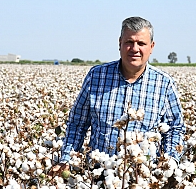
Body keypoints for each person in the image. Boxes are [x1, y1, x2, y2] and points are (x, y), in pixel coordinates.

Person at [50, 16, 185, 178]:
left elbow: (175, 129)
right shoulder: (96, 76)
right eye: (129, 42)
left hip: (143, 177)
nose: (135, 48)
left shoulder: (163, 83)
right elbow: (77, 124)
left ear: (152, 46)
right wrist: (66, 160)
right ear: (120, 43)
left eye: (141, 43)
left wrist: (169, 162)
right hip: (98, 174)